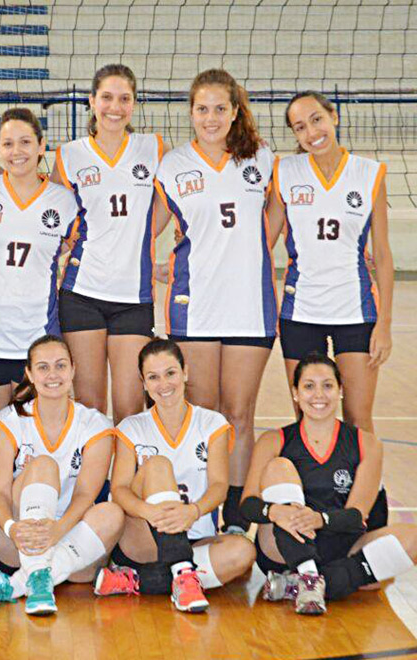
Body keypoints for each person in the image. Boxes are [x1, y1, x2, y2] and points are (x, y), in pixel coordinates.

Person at [0, 65, 169, 424]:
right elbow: (38, 196)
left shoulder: (153, 148)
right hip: (82, 295)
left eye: (124, 98)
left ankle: (124, 478)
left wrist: (145, 238)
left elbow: (180, 194)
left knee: (129, 409)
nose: (114, 107)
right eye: (106, 97)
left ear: (134, 104)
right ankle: (95, 482)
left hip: (133, 297)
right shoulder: (70, 155)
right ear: (92, 101)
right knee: (90, 407)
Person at [154, 69, 277, 533]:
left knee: (240, 414)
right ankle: (200, 514)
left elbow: (280, 216)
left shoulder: (262, 158)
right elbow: (148, 228)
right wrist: (152, 269)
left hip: (249, 305)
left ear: (234, 112)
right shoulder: (173, 164)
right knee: (203, 416)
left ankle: (236, 518)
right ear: (191, 113)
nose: (210, 117)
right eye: (202, 109)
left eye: (220, 109)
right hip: (196, 304)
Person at [239, 353, 417, 615]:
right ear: (295, 393)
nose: (319, 395)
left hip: (340, 543)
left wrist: (319, 519)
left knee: (415, 539)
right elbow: (247, 505)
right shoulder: (274, 441)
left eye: (328, 385)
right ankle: (308, 574)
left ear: (340, 391)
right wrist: (274, 511)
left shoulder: (366, 444)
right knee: (278, 467)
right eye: (309, 386)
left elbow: (355, 517)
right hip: (284, 548)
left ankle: (302, 584)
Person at [0, 335, 123, 616]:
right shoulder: (8, 421)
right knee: (43, 465)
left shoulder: (95, 424)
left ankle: (17, 585)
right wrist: (13, 528)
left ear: (73, 369)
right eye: (43, 367)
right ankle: (36, 576)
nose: (53, 375)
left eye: (60, 366)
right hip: (17, 541)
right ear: (29, 374)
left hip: (68, 537)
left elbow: (87, 494)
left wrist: (57, 530)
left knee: (112, 514)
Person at [266, 91, 393, 434]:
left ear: (333, 117)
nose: (311, 132)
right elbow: (262, 239)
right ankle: (311, 488)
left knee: (357, 418)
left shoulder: (369, 174)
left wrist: (384, 324)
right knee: (307, 418)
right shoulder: (286, 171)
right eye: (300, 127)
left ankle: (368, 489)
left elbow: (381, 254)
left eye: (316, 119)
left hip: (356, 311)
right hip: (301, 312)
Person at [96, 339, 254, 613]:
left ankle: (138, 580)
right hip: (143, 536)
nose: (164, 384)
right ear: (143, 383)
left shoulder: (212, 422)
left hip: (194, 532)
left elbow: (219, 486)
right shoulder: (132, 427)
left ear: (185, 372)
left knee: (243, 552)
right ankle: (182, 572)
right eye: (153, 377)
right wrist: (148, 511)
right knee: (158, 465)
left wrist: (193, 511)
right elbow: (120, 489)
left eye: (170, 373)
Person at [0, 108, 79, 423]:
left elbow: (68, 249)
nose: (16, 151)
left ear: (41, 146)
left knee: (38, 435)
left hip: (37, 338)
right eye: (7, 144)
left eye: (25, 142)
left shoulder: (63, 202)